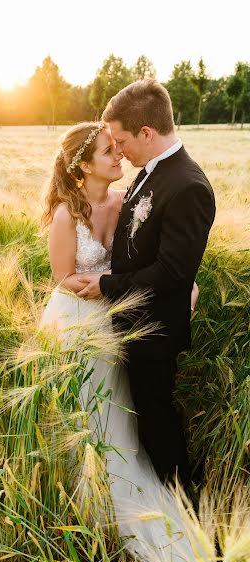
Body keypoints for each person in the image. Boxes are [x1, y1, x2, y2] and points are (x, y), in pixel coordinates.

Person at [40, 117, 213, 562]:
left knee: (120, 417)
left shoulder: (129, 199)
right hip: (77, 326)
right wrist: (114, 289)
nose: (118, 156)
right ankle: (82, 498)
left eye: (118, 148)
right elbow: (65, 281)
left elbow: (149, 257)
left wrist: (181, 283)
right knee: (84, 415)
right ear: (83, 167)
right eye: (107, 152)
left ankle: (131, 492)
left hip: (118, 323)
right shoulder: (64, 215)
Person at [76, 80, 215, 488]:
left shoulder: (187, 185)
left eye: (121, 140)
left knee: (156, 419)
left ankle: (180, 499)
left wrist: (107, 285)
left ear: (147, 134)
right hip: (131, 321)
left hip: (153, 331)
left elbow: (172, 272)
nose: (118, 150)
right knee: (142, 417)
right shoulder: (153, 171)